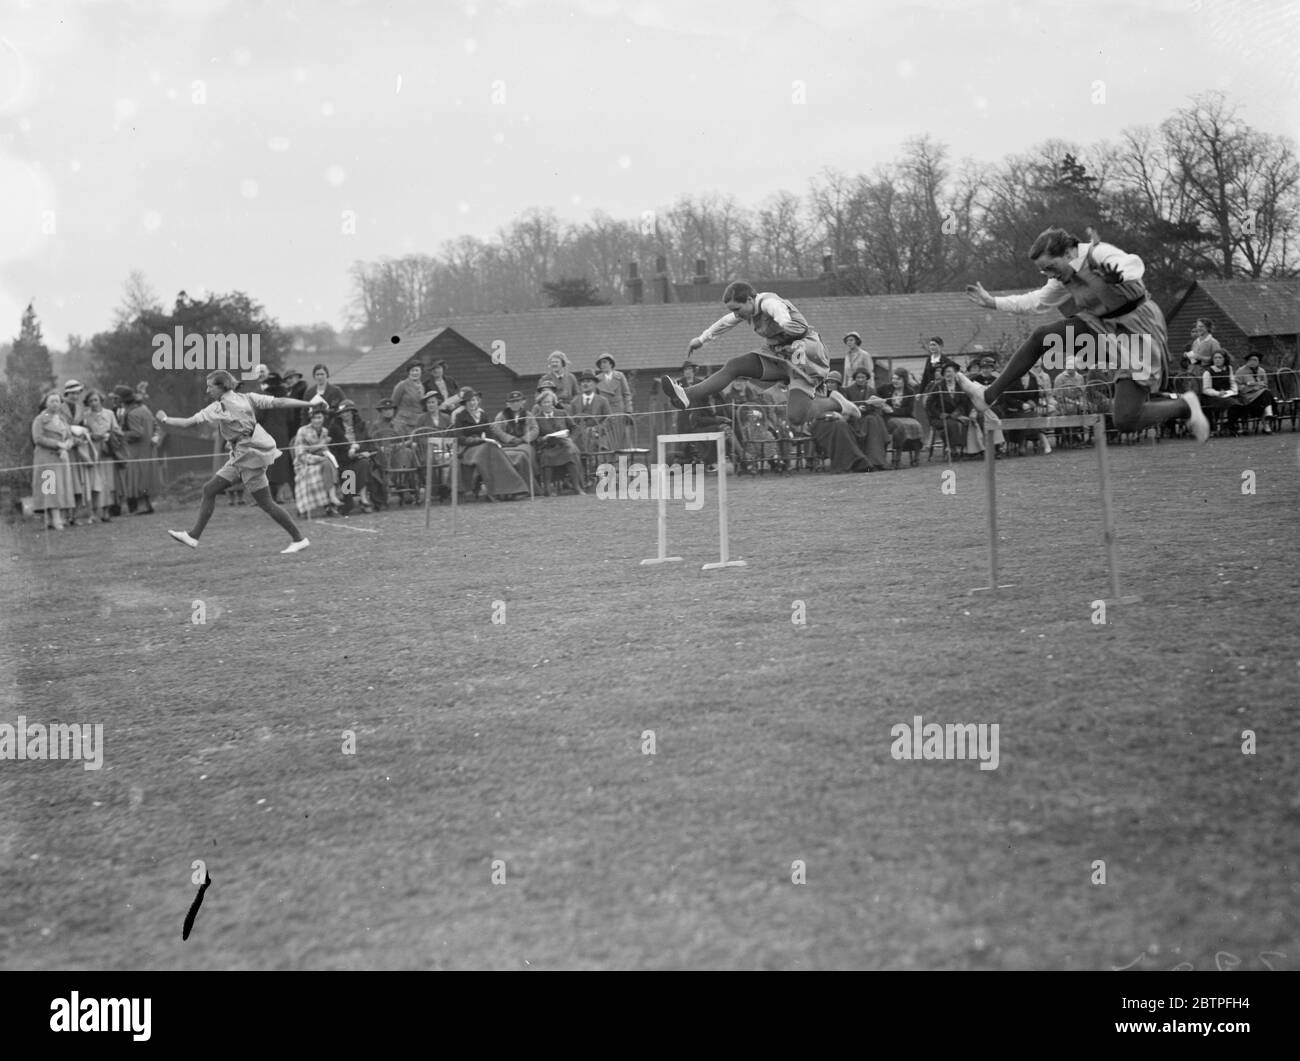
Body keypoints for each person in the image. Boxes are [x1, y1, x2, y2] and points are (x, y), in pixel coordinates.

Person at [958, 226, 1210, 442]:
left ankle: (1184, 406)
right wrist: (993, 302)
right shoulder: (1062, 278)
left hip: (1138, 331)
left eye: (1050, 267)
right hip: (1101, 326)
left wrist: (1118, 272)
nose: (1049, 274)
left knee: (1125, 419)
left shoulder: (1097, 254)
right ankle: (987, 395)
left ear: (1067, 253)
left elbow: (1133, 264)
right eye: (1043, 271)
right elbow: (1035, 301)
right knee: (1042, 336)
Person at [660, 281, 861, 432]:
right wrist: (701, 339)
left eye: (738, 310)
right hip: (778, 354)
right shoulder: (745, 310)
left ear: (749, 299)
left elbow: (777, 309)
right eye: (733, 311)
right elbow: (724, 322)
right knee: (735, 366)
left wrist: (783, 322)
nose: (737, 315)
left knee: (796, 417)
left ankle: (837, 403)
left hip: (803, 353)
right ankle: (687, 394)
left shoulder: (767, 302)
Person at [158, 370, 325, 552]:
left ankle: (299, 539)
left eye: (210, 386)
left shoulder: (219, 407)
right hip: (244, 455)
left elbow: (187, 423)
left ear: (221, 387)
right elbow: (281, 402)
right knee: (210, 489)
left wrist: (164, 419)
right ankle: (193, 536)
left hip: (248, 458)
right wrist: (310, 403)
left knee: (266, 503)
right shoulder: (247, 397)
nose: (207, 391)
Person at [450, 391, 530, 501]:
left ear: (477, 401)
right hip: (468, 449)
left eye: (474, 400)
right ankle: (498, 492)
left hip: (485, 447)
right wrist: (475, 440)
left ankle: (514, 489)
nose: (472, 403)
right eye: (469, 401)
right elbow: (459, 437)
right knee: (487, 450)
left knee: (493, 451)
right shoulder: (460, 416)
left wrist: (490, 440)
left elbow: (489, 433)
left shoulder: (483, 415)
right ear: (465, 403)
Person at [531, 380, 589, 495]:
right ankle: (547, 488)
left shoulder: (562, 413)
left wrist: (571, 439)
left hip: (563, 444)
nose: (547, 405)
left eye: (549, 402)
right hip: (547, 446)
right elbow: (535, 436)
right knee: (546, 456)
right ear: (540, 404)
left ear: (553, 403)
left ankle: (577, 487)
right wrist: (542, 439)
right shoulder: (536, 418)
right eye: (544, 403)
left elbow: (575, 428)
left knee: (570, 454)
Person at [31, 391, 78, 530]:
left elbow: (69, 436)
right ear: (45, 403)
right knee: (50, 488)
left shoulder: (62, 419)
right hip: (46, 458)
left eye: (57, 401)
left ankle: (59, 518)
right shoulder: (40, 419)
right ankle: (53, 519)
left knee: (61, 487)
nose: (55, 404)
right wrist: (57, 444)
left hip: (62, 458)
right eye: (51, 401)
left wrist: (68, 444)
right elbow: (38, 439)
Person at [329, 400, 382, 512]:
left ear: (352, 412)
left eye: (347, 412)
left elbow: (367, 441)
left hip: (360, 456)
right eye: (342, 412)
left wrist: (360, 450)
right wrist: (350, 450)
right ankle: (355, 499)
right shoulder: (335, 427)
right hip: (343, 460)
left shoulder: (361, 425)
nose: (345, 414)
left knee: (365, 463)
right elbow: (336, 447)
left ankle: (363, 498)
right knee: (352, 469)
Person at [114, 385, 160, 514]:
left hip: (137, 451)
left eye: (117, 398)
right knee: (145, 477)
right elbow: (155, 425)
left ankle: (143, 506)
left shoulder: (131, 413)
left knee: (137, 478)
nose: (115, 401)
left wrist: (121, 433)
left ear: (123, 399)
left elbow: (137, 433)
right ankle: (148, 504)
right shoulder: (144, 409)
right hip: (148, 450)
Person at [75, 389, 120, 521]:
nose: (94, 403)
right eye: (91, 401)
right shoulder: (85, 416)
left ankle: (106, 512)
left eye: (96, 400)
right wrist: (91, 435)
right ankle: (94, 512)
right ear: (87, 403)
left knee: (108, 482)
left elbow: (117, 430)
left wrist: (110, 435)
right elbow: (82, 432)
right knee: (95, 483)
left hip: (106, 450)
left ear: (100, 400)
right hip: (92, 451)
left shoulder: (110, 413)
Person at [292, 406, 345, 517]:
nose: (317, 420)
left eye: (319, 417)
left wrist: (325, 453)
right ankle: (331, 499)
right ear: (310, 419)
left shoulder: (325, 431)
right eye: (314, 418)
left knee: (332, 464)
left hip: (323, 461)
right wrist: (320, 453)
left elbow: (325, 450)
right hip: (305, 463)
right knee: (327, 464)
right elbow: (300, 454)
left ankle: (331, 503)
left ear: (323, 418)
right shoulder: (302, 431)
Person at [258, 373, 298, 504]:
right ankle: (280, 495)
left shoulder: (264, 397)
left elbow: (259, 417)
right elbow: (291, 418)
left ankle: (268, 496)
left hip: (266, 434)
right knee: (281, 464)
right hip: (282, 434)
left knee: (267, 464)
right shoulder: (286, 397)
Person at [925, 360, 975, 456]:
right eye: (947, 372)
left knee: (966, 422)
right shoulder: (938, 386)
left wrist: (957, 413)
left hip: (957, 415)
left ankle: (964, 449)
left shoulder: (960, 387)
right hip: (940, 417)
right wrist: (939, 414)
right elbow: (929, 404)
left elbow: (964, 403)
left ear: (956, 373)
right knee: (952, 424)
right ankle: (953, 449)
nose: (949, 374)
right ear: (943, 374)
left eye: (951, 372)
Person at [877, 367, 924, 468]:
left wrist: (893, 411)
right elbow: (874, 394)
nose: (895, 381)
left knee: (917, 426)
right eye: (893, 378)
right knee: (899, 427)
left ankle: (916, 458)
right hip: (888, 418)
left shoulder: (909, 391)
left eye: (898, 379)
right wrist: (881, 404)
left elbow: (908, 410)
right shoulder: (885, 388)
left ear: (904, 380)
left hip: (905, 416)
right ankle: (896, 459)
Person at [491, 390, 539, 488]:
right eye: (513, 402)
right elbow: (496, 429)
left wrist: (524, 439)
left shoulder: (528, 415)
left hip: (524, 444)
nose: (516, 403)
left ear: (523, 402)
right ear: (508, 403)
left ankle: (527, 486)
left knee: (525, 455)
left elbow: (535, 430)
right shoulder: (501, 415)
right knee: (504, 457)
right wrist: (510, 438)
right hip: (507, 445)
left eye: (518, 401)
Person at [571, 370, 613, 463]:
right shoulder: (574, 402)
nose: (585, 384)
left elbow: (609, 420)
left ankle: (598, 472)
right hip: (579, 437)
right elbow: (571, 422)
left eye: (589, 381)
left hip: (598, 436)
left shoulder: (602, 401)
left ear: (595, 384)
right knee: (572, 449)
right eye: (583, 382)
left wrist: (597, 429)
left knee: (599, 448)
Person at [594, 353, 634, 450]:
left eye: (605, 362)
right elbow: (596, 398)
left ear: (611, 364)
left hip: (619, 411)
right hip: (605, 413)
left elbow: (626, 394)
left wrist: (628, 411)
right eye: (601, 363)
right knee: (607, 440)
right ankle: (609, 463)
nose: (603, 365)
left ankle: (623, 463)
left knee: (622, 439)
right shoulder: (597, 379)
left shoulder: (620, 376)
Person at [1234, 352, 1276, 433]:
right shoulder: (1240, 371)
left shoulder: (1261, 371)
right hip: (1248, 397)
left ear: (1258, 362)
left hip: (1261, 395)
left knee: (1266, 394)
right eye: (1250, 360)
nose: (1252, 361)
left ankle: (1267, 421)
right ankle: (1268, 418)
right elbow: (1238, 386)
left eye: (1255, 360)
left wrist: (1257, 387)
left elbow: (1265, 384)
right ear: (1247, 361)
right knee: (1266, 395)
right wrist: (1252, 388)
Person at [1199, 349, 1240, 433]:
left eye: (1220, 358)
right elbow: (1206, 389)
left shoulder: (1229, 368)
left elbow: (1232, 382)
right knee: (1234, 404)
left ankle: (1229, 424)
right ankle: (1230, 426)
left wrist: (1234, 391)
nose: (1217, 360)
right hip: (1213, 397)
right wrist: (1218, 393)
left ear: (1224, 359)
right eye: (1215, 358)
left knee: (1242, 403)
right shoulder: (1208, 372)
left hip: (1228, 394)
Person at [390, 362, 428, 434]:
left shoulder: (421, 386)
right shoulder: (402, 385)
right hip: (403, 422)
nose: (414, 373)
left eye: (417, 370)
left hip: (417, 422)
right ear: (409, 372)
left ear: (421, 372)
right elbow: (393, 403)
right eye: (412, 370)